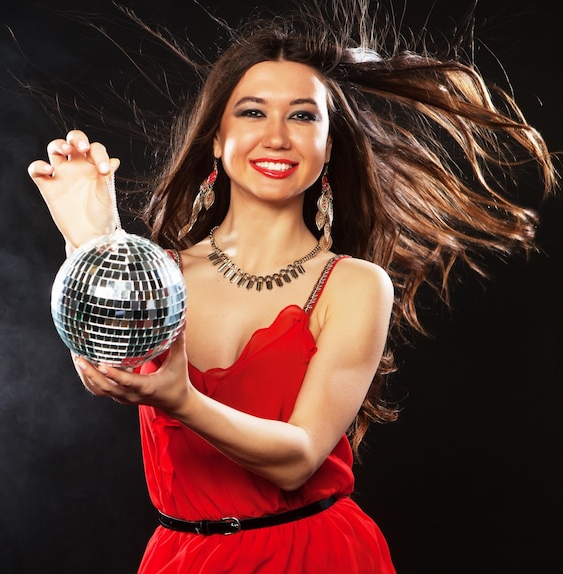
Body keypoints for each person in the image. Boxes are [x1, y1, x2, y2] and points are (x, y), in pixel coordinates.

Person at [27, 1, 557, 572]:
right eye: (252, 112)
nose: (277, 136)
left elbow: (298, 460)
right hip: (181, 558)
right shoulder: (160, 276)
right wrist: (92, 238)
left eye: (303, 117)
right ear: (215, 139)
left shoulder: (354, 286)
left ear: (329, 146)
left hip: (310, 555)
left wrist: (181, 401)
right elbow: (104, 371)